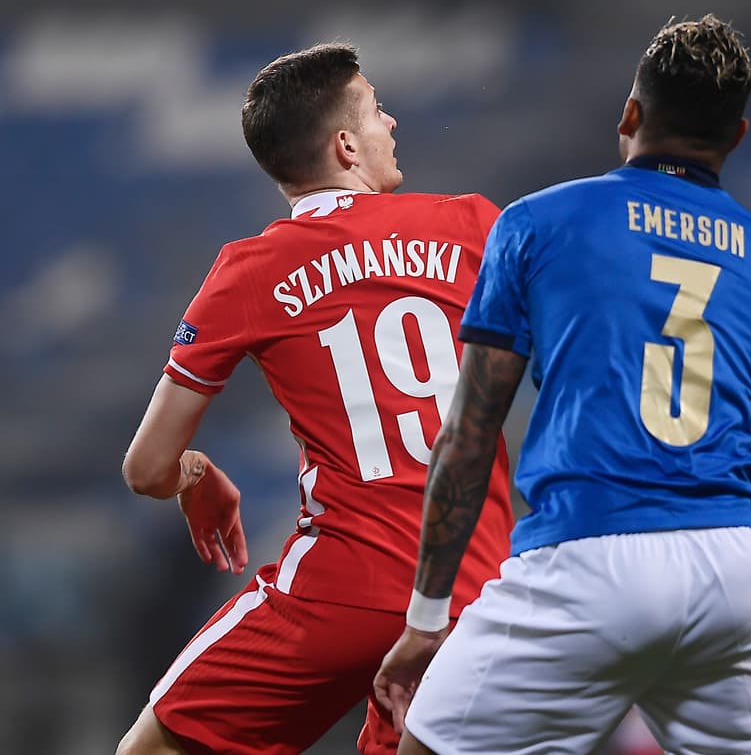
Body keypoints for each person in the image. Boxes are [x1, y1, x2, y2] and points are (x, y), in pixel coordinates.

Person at [375, 15, 751, 754]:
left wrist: (426, 616)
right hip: (728, 573)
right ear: (735, 138)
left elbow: (470, 433)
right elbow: (739, 437)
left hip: (589, 554)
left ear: (630, 115)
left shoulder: (538, 222)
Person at [115, 43, 514, 755]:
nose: (392, 123)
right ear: (345, 144)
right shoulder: (474, 224)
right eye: (377, 110)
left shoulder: (248, 270)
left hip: (340, 592)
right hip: (477, 589)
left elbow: (147, 467)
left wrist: (196, 477)